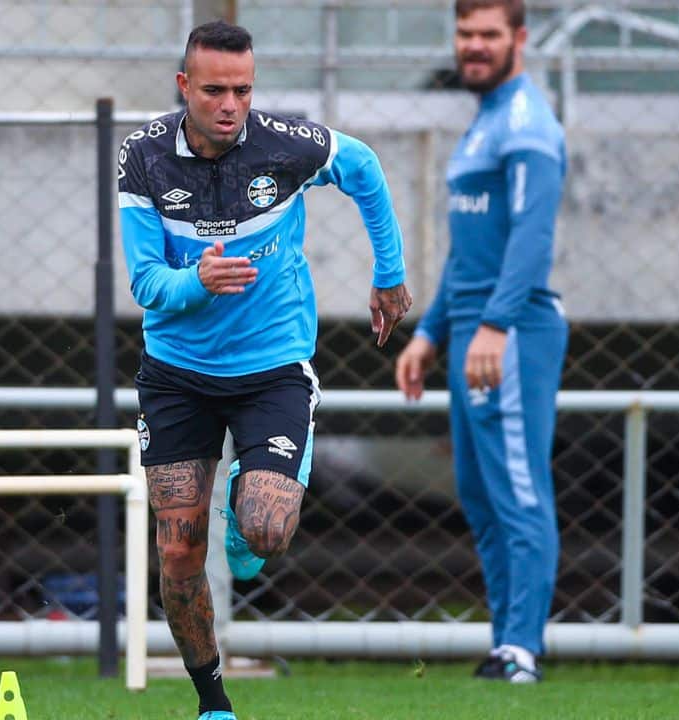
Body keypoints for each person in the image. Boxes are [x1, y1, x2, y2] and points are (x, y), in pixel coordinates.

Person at [118, 20, 413, 720]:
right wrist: (199, 282)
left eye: (243, 90)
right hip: (177, 374)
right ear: (183, 87)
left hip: (271, 368)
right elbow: (145, 281)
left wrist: (390, 272)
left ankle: (241, 525)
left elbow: (364, 167)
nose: (230, 104)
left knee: (264, 529)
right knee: (176, 553)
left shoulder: (288, 144)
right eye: (214, 89)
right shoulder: (144, 159)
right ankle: (213, 702)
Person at [395, 0, 568, 684]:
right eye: (465, 34)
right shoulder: (484, 123)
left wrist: (494, 324)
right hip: (472, 330)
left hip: (514, 330)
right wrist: (432, 333)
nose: (474, 46)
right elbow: (471, 255)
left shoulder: (528, 124)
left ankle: (522, 651)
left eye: (488, 35)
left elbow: (532, 236)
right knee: (480, 490)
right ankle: (505, 643)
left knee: (520, 490)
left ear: (519, 39)